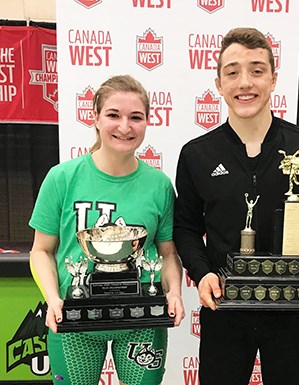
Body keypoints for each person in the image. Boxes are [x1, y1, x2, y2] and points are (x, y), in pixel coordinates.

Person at [173, 27, 299, 385]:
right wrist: (203, 272)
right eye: (232, 71)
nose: (245, 82)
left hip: (293, 305)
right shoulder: (196, 154)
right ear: (219, 83)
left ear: (273, 79)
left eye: (256, 70)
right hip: (226, 305)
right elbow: (186, 227)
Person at [29, 74, 185, 385]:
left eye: (135, 117)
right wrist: (52, 297)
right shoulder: (62, 178)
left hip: (142, 317)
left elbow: (169, 254)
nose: (124, 127)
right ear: (95, 117)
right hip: (74, 316)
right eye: (113, 115)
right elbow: (41, 251)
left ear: (147, 122)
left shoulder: (160, 186)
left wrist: (174, 292)